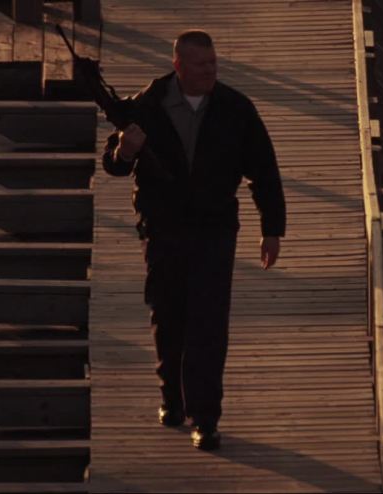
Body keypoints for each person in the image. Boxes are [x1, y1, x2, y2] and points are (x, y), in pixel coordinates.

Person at [101, 30, 286, 451]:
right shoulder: (146, 105)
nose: (210, 71)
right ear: (179, 66)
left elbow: (264, 170)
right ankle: (172, 399)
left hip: (214, 229)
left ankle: (205, 418)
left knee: (209, 324)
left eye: (213, 62)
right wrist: (126, 151)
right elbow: (114, 165)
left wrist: (272, 228)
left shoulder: (236, 108)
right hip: (162, 229)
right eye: (201, 64)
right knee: (168, 316)